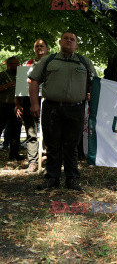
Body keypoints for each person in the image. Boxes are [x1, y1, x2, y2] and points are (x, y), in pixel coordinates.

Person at [29, 32, 97, 190]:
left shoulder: (84, 62)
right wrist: (34, 104)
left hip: (76, 109)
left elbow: (95, 84)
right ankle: (52, 178)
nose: (69, 41)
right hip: (51, 108)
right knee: (52, 144)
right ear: (60, 42)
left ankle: (72, 178)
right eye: (65, 38)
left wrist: (92, 103)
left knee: (72, 145)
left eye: (72, 39)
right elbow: (34, 81)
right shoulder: (49, 60)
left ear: (77, 44)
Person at [16, 39, 49, 172]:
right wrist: (18, 104)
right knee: (31, 131)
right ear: (34, 49)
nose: (39, 48)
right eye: (37, 46)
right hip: (28, 100)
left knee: (48, 131)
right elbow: (19, 85)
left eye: (42, 46)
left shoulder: (52, 63)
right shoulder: (27, 64)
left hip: (47, 100)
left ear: (47, 49)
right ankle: (33, 162)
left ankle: (48, 159)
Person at [0, 56, 21, 161]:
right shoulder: (2, 75)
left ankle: (14, 154)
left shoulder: (21, 76)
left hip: (16, 107)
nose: (18, 66)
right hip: (2, 106)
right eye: (15, 64)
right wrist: (7, 85)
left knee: (16, 131)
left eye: (19, 64)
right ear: (9, 64)